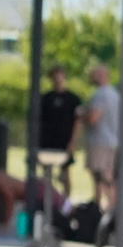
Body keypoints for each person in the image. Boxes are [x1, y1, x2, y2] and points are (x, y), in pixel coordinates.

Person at [79, 61, 120, 219]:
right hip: (111, 140)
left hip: (99, 141)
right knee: (105, 173)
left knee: (101, 175)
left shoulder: (100, 95)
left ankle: (103, 206)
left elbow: (94, 118)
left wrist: (81, 115)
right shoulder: (115, 95)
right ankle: (106, 205)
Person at [36, 62, 81, 200]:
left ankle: (66, 200)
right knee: (45, 172)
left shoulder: (73, 99)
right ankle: (47, 199)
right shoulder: (45, 99)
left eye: (59, 75)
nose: (57, 79)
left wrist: (73, 142)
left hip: (64, 140)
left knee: (65, 172)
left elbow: (77, 121)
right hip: (48, 140)